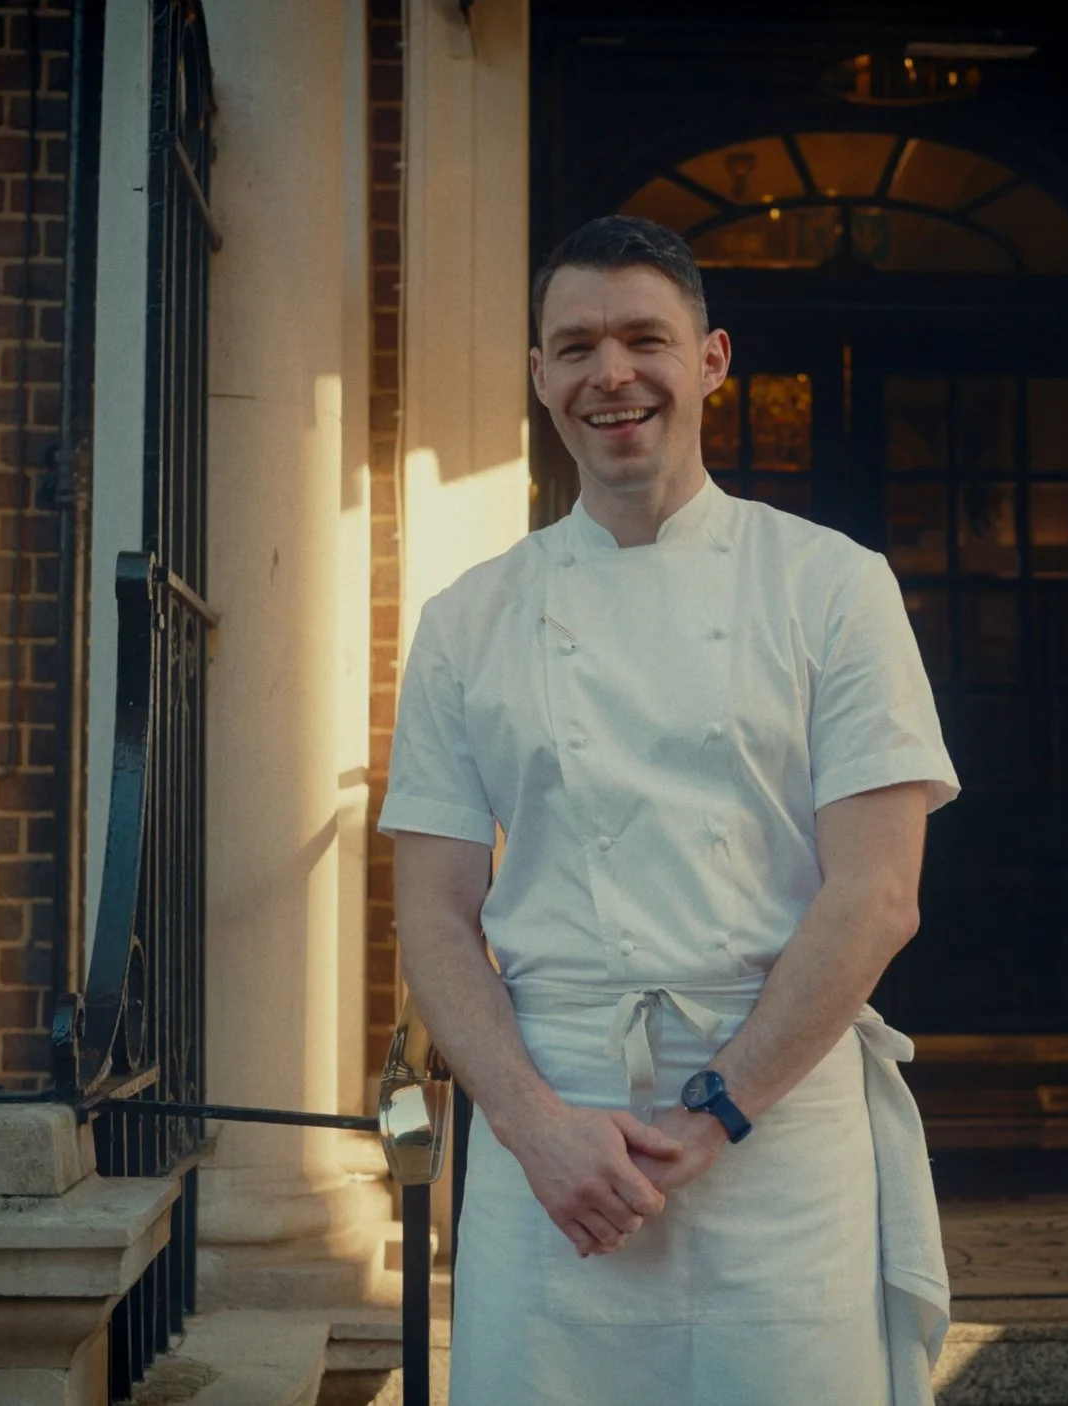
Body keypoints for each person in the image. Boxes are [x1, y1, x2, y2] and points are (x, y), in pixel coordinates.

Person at [379, 215, 959, 1405]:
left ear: (711, 360)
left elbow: (877, 890)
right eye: (576, 344)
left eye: (646, 337)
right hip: (552, 1125)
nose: (612, 373)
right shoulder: (468, 618)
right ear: (538, 375)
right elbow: (433, 912)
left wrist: (716, 1114)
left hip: (781, 1136)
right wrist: (534, 1127)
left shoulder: (832, 586)